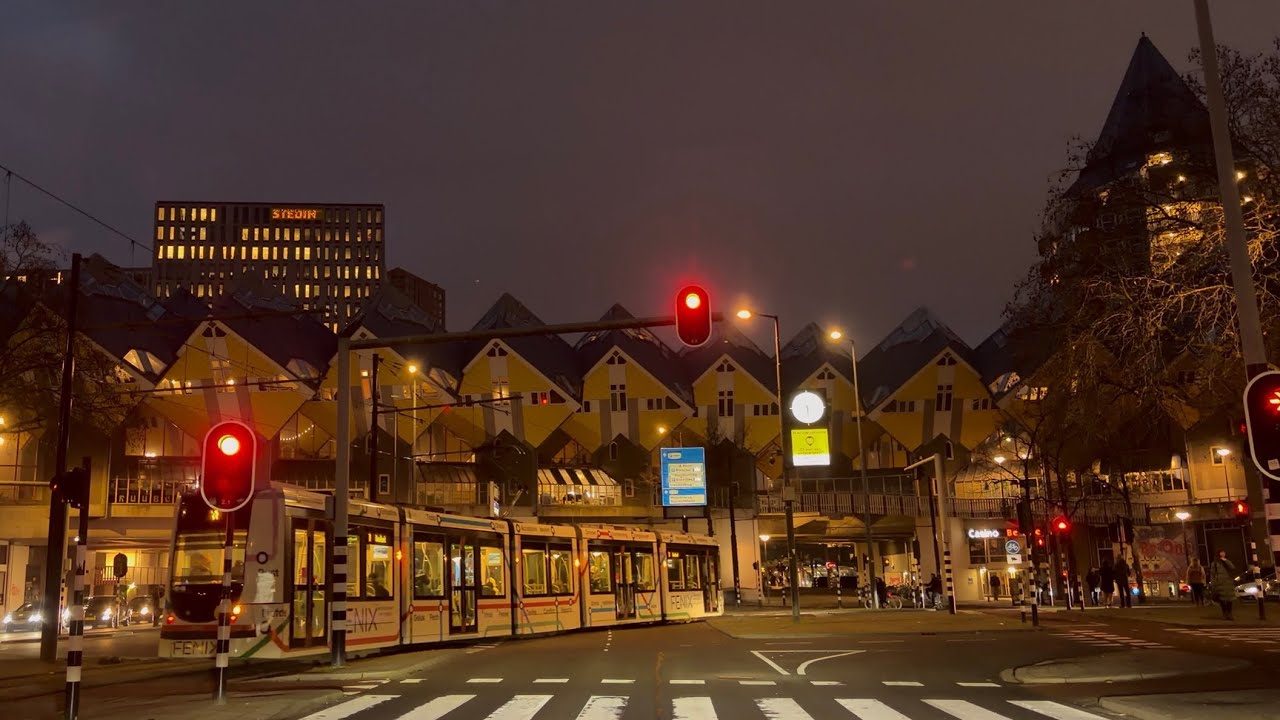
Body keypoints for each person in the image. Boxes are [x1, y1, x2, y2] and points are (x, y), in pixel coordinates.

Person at [1208, 549, 1236, 620]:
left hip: (1228, 582)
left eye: (1224, 552)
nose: (1222, 554)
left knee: (1230, 599)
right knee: (1222, 600)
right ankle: (1225, 613)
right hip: (1220, 583)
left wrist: (1225, 560)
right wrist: (1213, 583)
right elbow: (1212, 573)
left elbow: (1232, 567)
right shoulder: (1215, 563)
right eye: (1221, 552)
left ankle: (1230, 614)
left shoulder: (1227, 561)